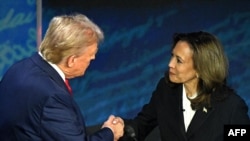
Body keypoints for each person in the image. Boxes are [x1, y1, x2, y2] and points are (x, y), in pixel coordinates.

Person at [0, 14, 124, 141]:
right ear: (72, 60)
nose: (93, 58)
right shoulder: (53, 96)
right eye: (90, 56)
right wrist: (110, 133)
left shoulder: (19, 68)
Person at [119, 31, 250, 141]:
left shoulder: (231, 107)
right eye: (172, 56)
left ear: (201, 68)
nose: (170, 64)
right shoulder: (165, 90)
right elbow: (142, 125)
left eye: (179, 60)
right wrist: (119, 129)